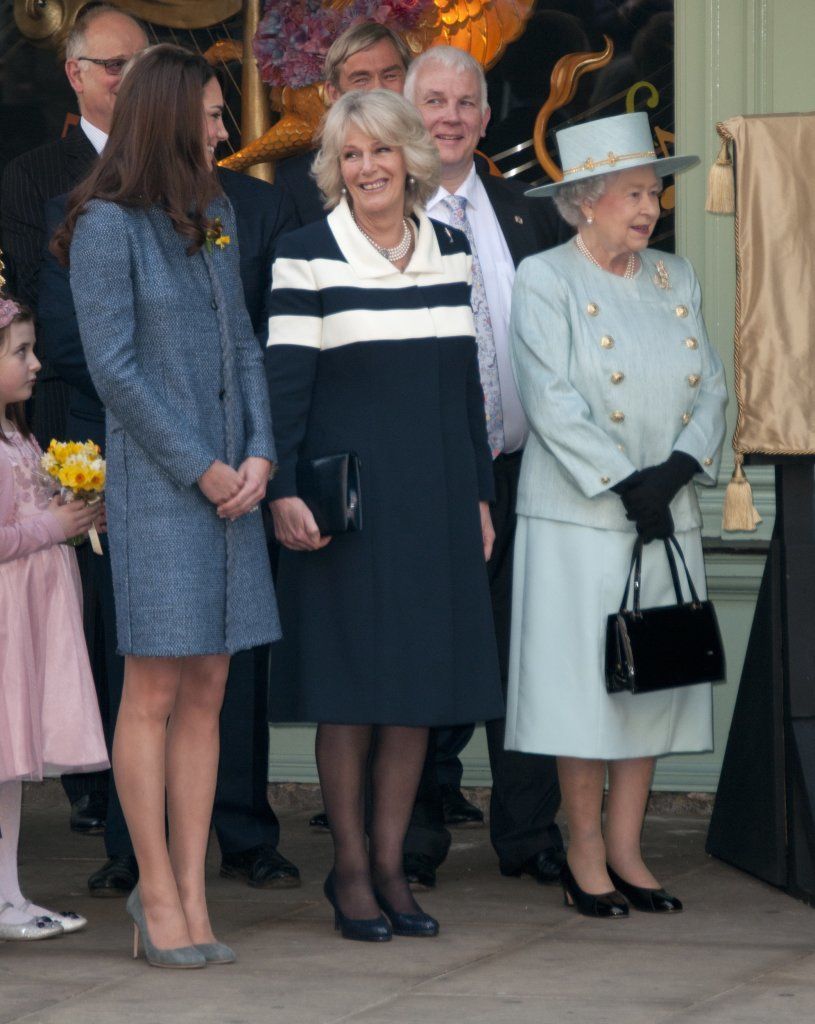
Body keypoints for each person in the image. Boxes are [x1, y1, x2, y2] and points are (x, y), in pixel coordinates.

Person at [54, 45, 279, 967]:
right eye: (215, 114)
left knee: (212, 688)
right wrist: (202, 468)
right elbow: (114, 371)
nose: (224, 129)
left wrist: (261, 451)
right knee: (153, 689)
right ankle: (153, 889)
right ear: (170, 113)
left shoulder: (215, 209)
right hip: (161, 490)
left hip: (236, 488)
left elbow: (248, 348)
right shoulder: (107, 225)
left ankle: (192, 889)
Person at [265, 88, 504, 941]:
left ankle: (396, 867)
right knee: (352, 697)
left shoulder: (449, 249)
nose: (367, 168)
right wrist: (283, 492)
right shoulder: (304, 255)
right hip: (345, 513)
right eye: (351, 155)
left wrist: (477, 496)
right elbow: (282, 395)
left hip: (436, 502)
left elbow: (465, 396)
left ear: (410, 157)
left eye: (380, 151)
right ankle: (352, 873)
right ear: (337, 167)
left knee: (413, 695)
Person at [506, 111, 727, 916]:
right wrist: (621, 482)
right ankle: (583, 849)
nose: (649, 209)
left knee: (653, 682)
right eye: (634, 193)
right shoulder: (546, 279)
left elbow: (712, 386)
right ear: (585, 201)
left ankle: (630, 849)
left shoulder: (676, 278)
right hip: (581, 516)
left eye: (653, 194)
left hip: (664, 512)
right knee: (585, 691)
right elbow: (549, 398)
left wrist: (672, 472)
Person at [402, 45, 567, 889]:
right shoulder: (382, 215)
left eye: (465, 102)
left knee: (526, 654)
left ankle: (529, 834)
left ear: (484, 115)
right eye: (434, 101)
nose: (451, 117)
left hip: (522, 469)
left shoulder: (526, 211)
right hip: (428, 479)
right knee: (434, 654)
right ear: (407, 110)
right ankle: (417, 839)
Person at [0, 3, 147, 837]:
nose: (126, 80)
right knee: (84, 605)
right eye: (112, 65)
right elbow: (32, 303)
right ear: (75, 74)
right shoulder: (31, 176)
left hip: (160, 429)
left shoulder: (174, 165)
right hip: (70, 416)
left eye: (139, 64)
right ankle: (95, 791)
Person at [0, 295, 108, 941]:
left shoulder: (17, 433)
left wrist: (72, 505)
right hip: (6, 621)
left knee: (9, 766)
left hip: (26, 614)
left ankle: (8, 894)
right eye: (20, 352)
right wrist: (54, 524)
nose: (37, 363)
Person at [274, 21, 413, 227]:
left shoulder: (440, 158)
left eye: (390, 76)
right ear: (333, 94)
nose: (378, 89)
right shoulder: (296, 182)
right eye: (361, 79)